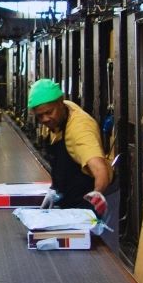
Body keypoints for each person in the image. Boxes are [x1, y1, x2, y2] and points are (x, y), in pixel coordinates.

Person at [27, 78, 113, 216]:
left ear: (61, 102)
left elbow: (99, 168)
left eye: (49, 112)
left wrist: (97, 193)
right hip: (70, 202)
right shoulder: (62, 112)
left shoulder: (80, 129)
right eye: (40, 116)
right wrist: (55, 190)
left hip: (90, 204)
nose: (45, 119)